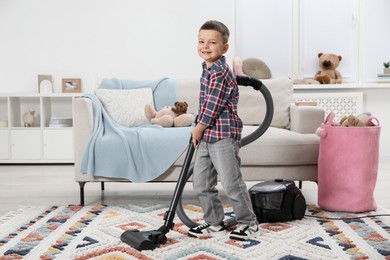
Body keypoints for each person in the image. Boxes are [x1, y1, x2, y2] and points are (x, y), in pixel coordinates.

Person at [188, 20, 258, 241]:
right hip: (207, 135)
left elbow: (213, 105)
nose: (205, 46)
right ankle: (214, 222)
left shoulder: (220, 71)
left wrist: (198, 128)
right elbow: (204, 103)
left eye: (212, 42)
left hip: (223, 136)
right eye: (201, 41)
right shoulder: (206, 69)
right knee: (201, 183)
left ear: (224, 48)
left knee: (231, 183)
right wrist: (199, 128)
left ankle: (249, 223)